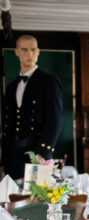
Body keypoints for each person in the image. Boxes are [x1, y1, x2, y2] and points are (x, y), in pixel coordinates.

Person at [2, 34, 63, 178]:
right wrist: (4, 161)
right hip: (13, 156)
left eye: (33, 50)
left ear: (38, 52)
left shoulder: (48, 82)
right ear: (17, 52)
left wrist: (43, 153)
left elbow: (56, 120)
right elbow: (7, 127)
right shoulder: (11, 87)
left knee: (36, 198)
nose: (29, 54)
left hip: (37, 154)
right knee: (12, 198)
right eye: (24, 50)